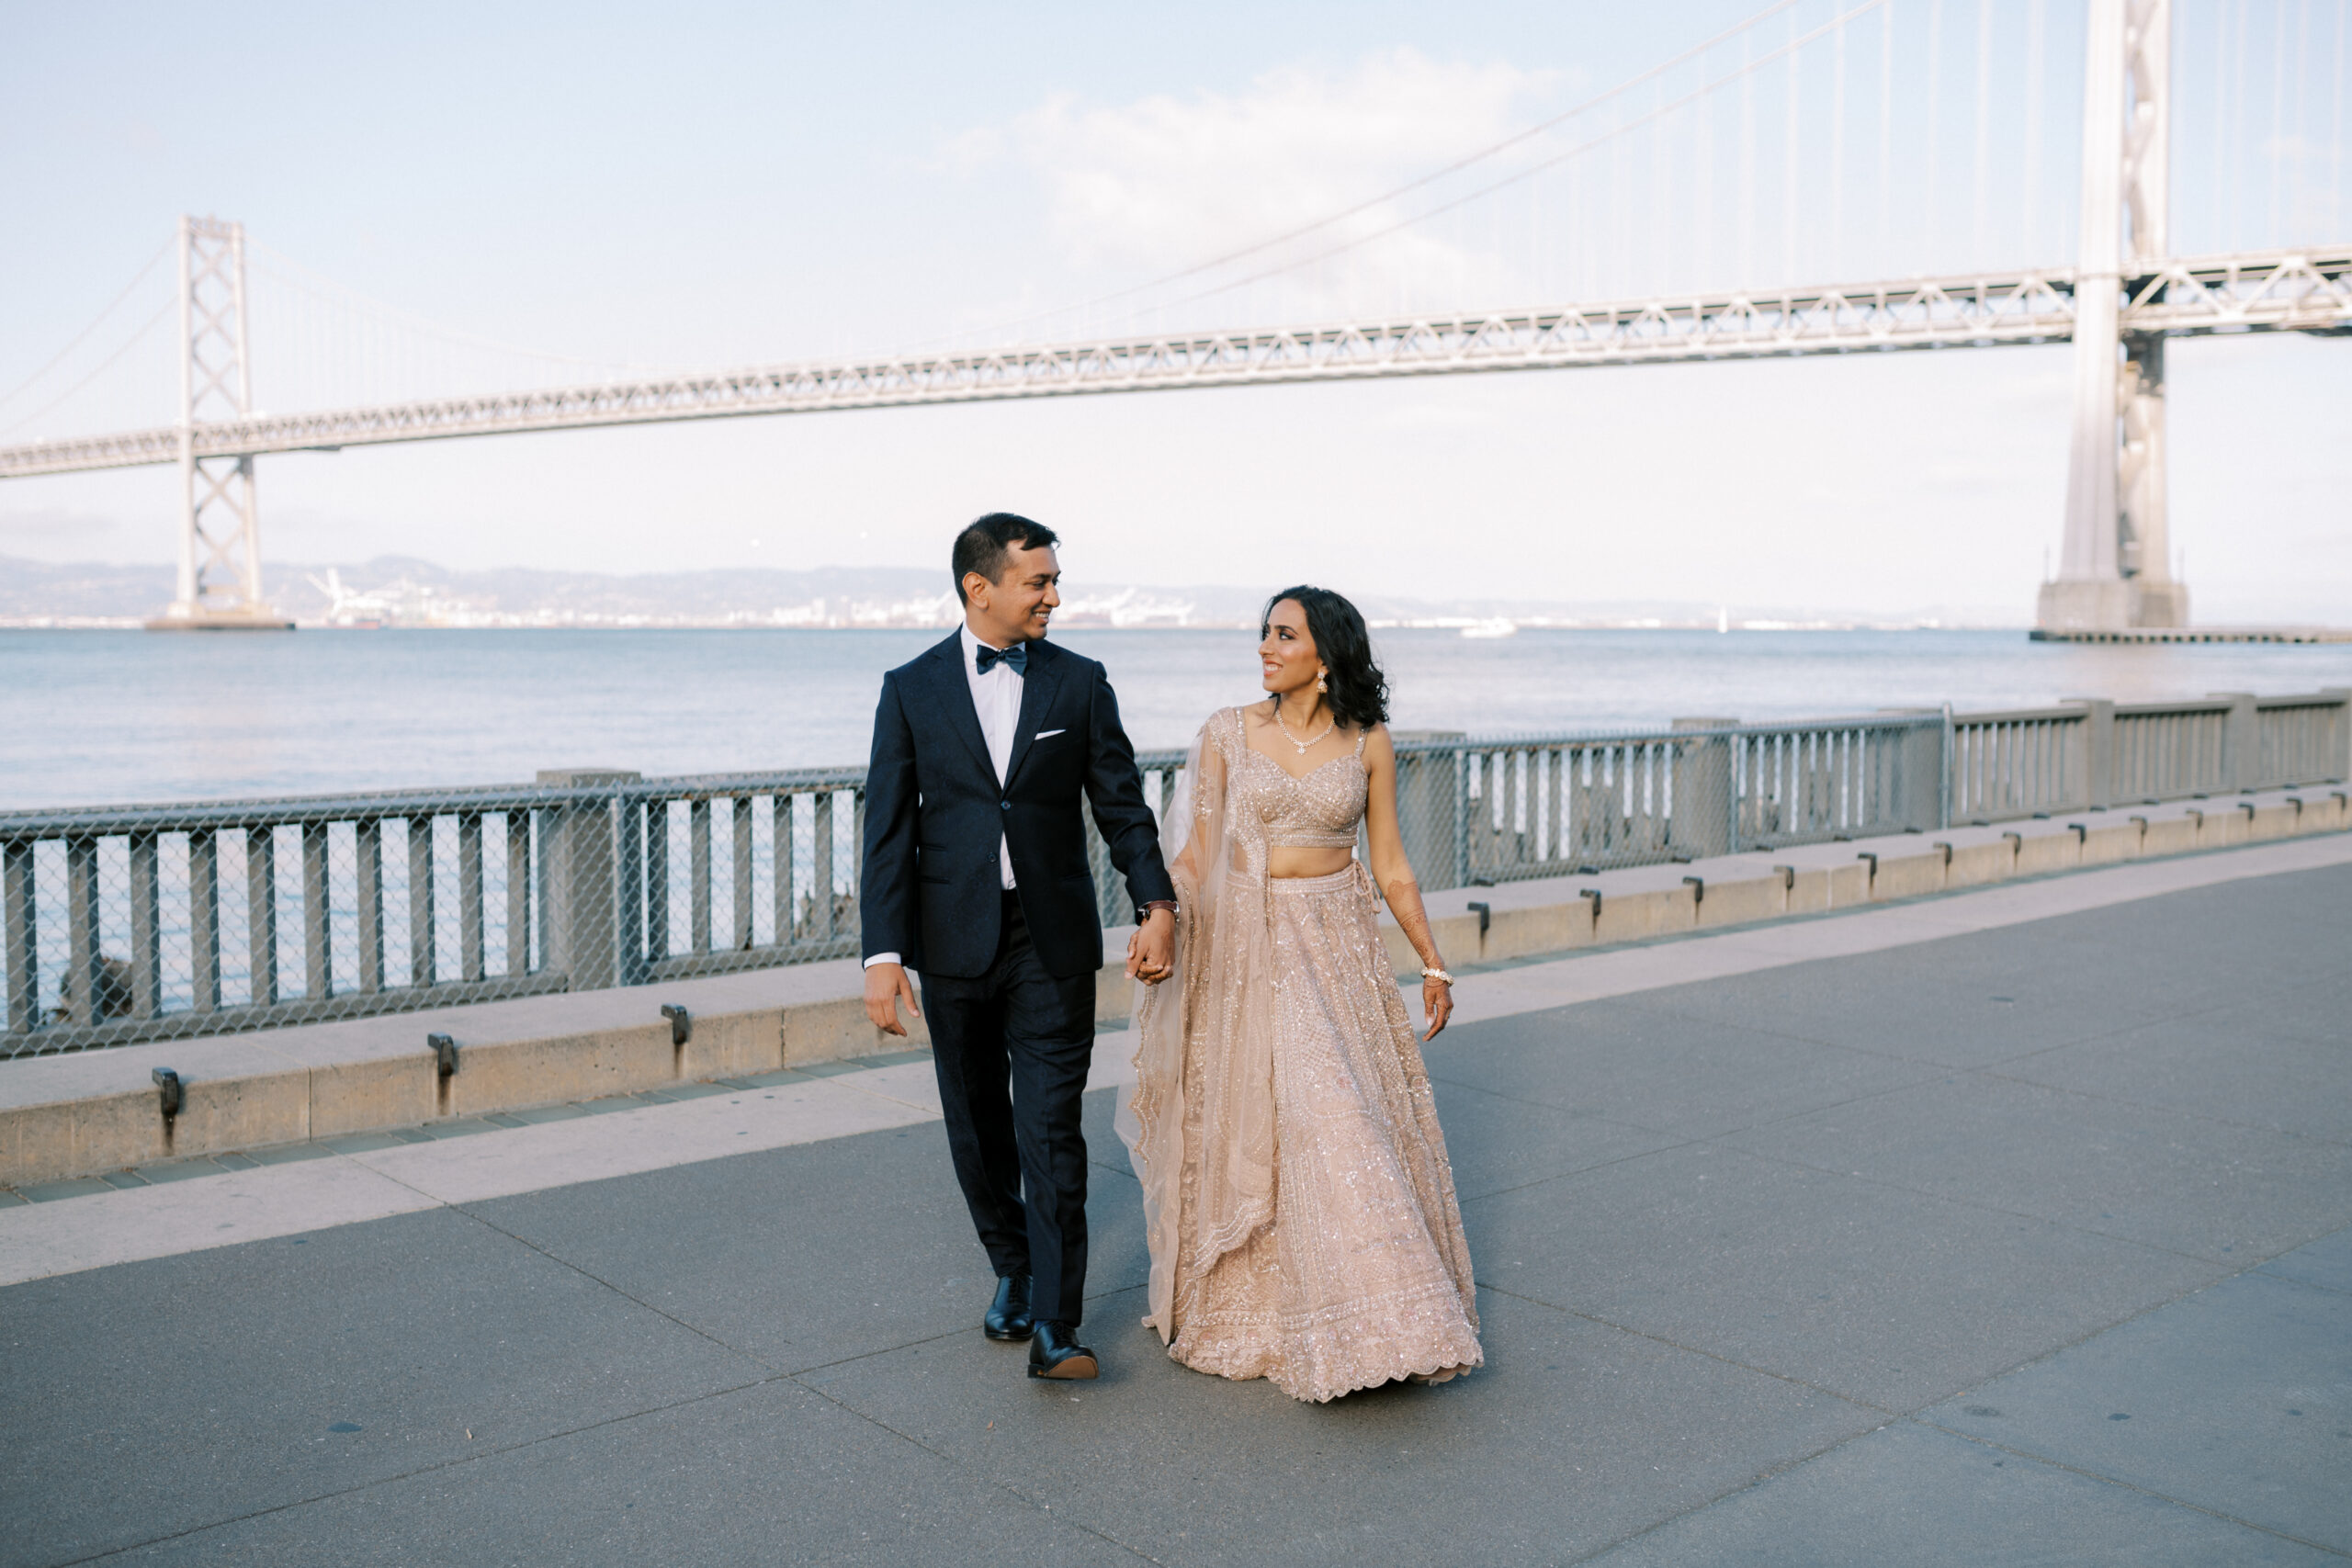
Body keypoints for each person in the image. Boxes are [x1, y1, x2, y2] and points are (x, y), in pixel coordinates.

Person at [1121, 584, 1483, 1403]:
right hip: (1243, 944)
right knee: (1270, 1119)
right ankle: (1272, 1307)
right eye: (1264, 633)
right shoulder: (1227, 732)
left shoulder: (1368, 741)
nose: (1265, 646)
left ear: (1327, 654)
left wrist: (1431, 960)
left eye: (1284, 635)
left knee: (1338, 1115)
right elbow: (1196, 849)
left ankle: (1382, 1318)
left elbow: (1388, 862)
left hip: (1335, 947)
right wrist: (1159, 917)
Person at [861, 513, 1178, 1382]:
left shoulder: (1079, 682)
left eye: (1051, 580)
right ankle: (1012, 1262)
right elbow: (886, 833)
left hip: (1052, 939)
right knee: (976, 1125)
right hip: (950, 940)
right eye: (1037, 581)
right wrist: (881, 956)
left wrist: (1156, 899)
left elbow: (1121, 801)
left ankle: (1056, 1324)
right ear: (980, 587)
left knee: (1051, 1129)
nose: (1053, 595)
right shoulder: (910, 688)